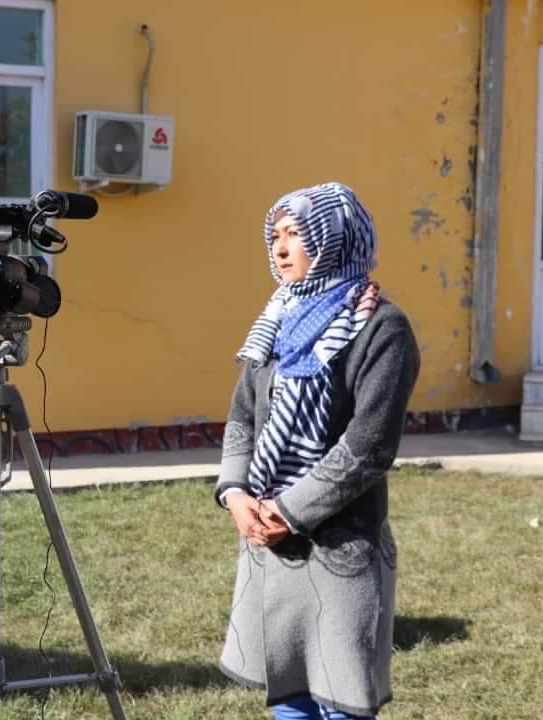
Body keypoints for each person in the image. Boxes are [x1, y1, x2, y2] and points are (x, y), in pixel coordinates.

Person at [215, 182, 420, 719]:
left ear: (334, 238)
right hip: (270, 547)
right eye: (275, 235)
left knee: (342, 700)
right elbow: (242, 416)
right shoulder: (276, 323)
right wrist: (236, 494)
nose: (279, 248)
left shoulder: (382, 328)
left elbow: (369, 446)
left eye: (296, 234)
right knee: (289, 696)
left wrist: (287, 510)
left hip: (340, 550)